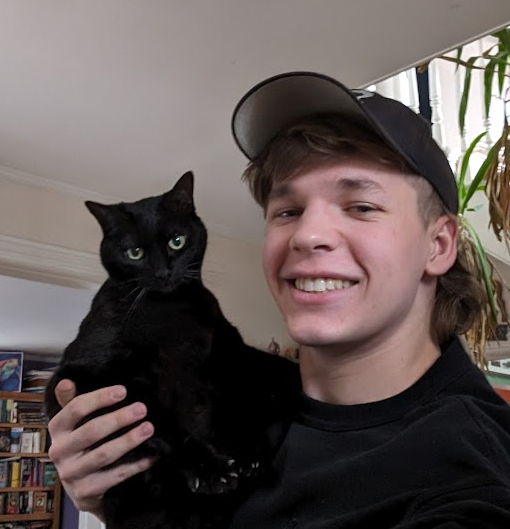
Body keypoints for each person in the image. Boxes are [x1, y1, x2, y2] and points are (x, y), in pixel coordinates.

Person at [48, 71, 510, 527]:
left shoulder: (471, 467)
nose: (307, 235)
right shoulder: (232, 395)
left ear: (439, 245)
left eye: (361, 207)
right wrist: (118, 499)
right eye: (288, 211)